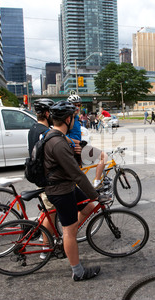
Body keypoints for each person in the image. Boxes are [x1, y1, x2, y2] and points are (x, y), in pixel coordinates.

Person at [44, 101, 104, 281]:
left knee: (88, 207)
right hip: (61, 190)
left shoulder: (54, 136)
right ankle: (78, 272)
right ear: (68, 119)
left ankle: (68, 243)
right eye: (74, 117)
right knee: (69, 232)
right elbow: (77, 174)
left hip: (64, 186)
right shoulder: (58, 142)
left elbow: (76, 151)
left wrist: (79, 149)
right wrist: (96, 193)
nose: (76, 120)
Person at [27, 98, 57, 247]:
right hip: (45, 178)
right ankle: (45, 245)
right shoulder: (45, 133)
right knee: (51, 212)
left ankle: (46, 233)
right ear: (46, 113)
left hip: (37, 175)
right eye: (51, 113)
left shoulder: (33, 128)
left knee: (48, 210)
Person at [68, 95, 108, 187]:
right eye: (75, 105)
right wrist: (77, 143)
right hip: (76, 148)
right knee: (103, 157)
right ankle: (97, 182)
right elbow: (62, 137)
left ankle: (96, 182)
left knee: (79, 177)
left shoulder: (76, 118)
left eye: (79, 105)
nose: (77, 107)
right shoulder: (69, 119)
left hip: (80, 148)